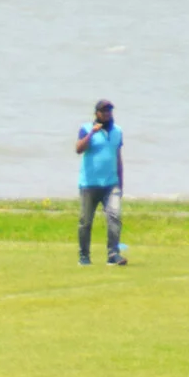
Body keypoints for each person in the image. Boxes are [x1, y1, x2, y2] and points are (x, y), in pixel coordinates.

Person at [73, 99, 126, 266]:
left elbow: (118, 157)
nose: (106, 114)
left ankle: (113, 254)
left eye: (109, 111)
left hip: (111, 184)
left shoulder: (117, 131)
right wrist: (91, 134)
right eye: (103, 111)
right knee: (85, 222)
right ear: (97, 113)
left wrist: (120, 182)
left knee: (114, 217)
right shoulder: (86, 129)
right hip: (89, 183)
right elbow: (78, 149)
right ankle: (84, 256)